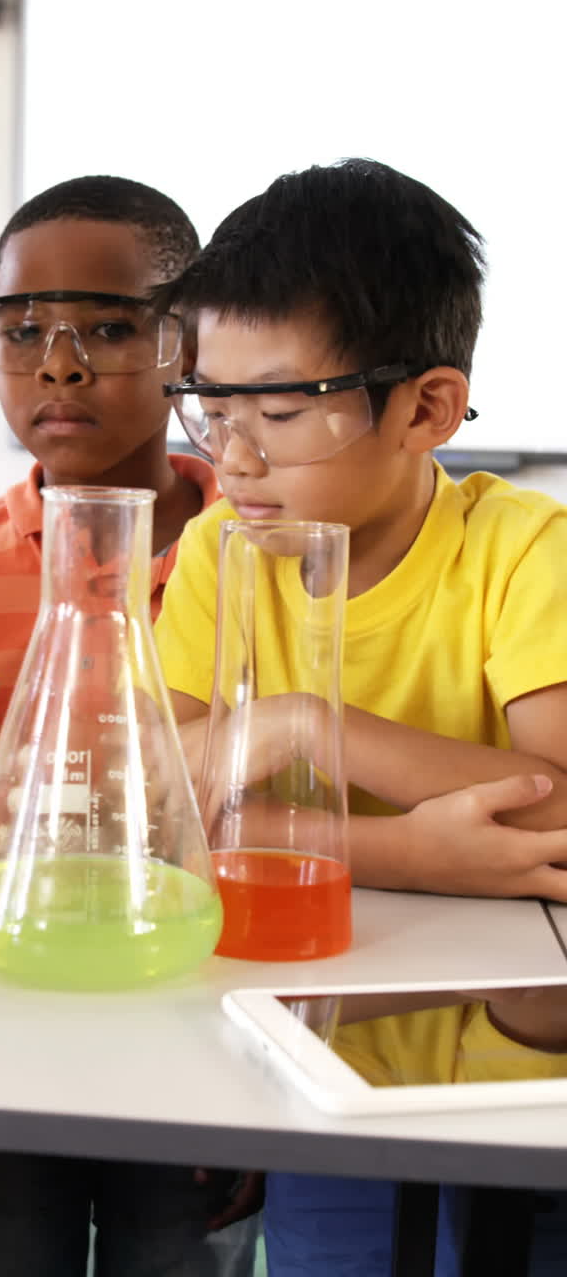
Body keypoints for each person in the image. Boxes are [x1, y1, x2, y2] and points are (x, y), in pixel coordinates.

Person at [151, 158, 567, 1274]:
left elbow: (559, 818)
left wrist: (302, 727)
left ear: (427, 407)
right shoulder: (219, 548)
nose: (233, 457)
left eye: (281, 412)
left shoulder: (528, 552)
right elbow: (155, 802)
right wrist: (406, 850)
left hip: (526, 1070)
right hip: (321, 1068)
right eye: (211, 409)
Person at [0, 175, 259, 1277]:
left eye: (109, 329)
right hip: (3, 1018)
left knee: (172, 1247)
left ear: (187, 347)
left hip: (199, 1017)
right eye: (22, 331)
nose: (59, 365)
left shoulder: (262, 556)